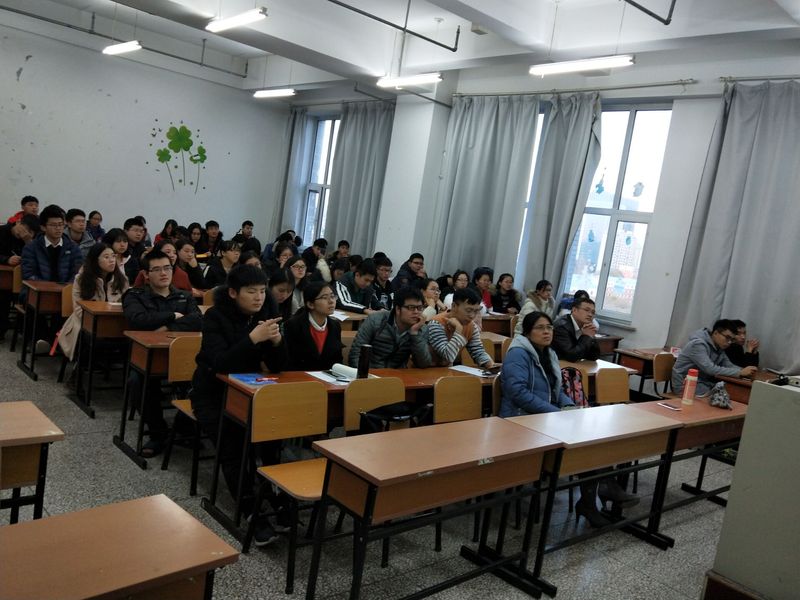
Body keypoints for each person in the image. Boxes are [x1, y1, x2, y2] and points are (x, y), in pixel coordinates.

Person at [189, 264, 286, 545]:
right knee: (232, 447)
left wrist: (277, 342)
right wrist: (252, 339)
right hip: (212, 395)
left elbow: (279, 368)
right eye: (251, 292)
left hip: (250, 393)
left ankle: (276, 499)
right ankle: (251, 512)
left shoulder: (264, 316)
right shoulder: (215, 317)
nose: (259, 297)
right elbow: (220, 364)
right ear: (233, 292)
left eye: (262, 291)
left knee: (272, 438)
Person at [122, 249, 202, 457]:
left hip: (183, 356)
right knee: (137, 382)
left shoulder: (185, 296)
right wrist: (173, 315)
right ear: (146, 275)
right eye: (157, 270)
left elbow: (198, 320)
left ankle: (183, 426)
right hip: (148, 357)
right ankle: (158, 432)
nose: (164, 273)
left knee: (204, 378)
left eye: (167, 268)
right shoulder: (135, 295)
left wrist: (166, 327)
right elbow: (138, 320)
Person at [58, 243, 129, 361]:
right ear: (95, 260)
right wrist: (99, 324)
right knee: (92, 338)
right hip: (85, 324)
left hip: (113, 324)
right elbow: (78, 310)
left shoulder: (122, 280)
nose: (112, 260)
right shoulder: (81, 279)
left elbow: (127, 305)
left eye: (113, 256)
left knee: (128, 339)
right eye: (106, 257)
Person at [500, 311, 574, 416]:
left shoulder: (550, 354)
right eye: (540, 328)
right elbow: (518, 392)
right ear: (527, 332)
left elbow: (557, 389)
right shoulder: (517, 354)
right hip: (520, 415)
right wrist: (555, 412)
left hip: (545, 414)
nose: (546, 332)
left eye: (549, 327)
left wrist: (569, 406)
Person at [348, 287, 432, 369]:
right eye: (411, 308)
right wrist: (363, 374)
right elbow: (355, 355)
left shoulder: (421, 328)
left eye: (420, 308)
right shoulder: (375, 320)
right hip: (370, 373)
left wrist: (415, 333)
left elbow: (423, 364)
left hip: (398, 376)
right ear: (398, 309)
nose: (416, 312)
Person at [672, 319, 758, 396]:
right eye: (727, 338)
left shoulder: (719, 347)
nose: (729, 342)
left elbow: (728, 365)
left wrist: (746, 372)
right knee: (724, 397)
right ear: (716, 333)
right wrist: (740, 373)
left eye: (732, 340)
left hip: (702, 383)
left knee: (731, 394)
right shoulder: (698, 344)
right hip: (684, 384)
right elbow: (710, 369)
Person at [427, 288, 494, 368]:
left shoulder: (471, 326)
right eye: (468, 310)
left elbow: (478, 352)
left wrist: (491, 365)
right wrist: (458, 330)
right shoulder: (436, 323)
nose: (472, 316)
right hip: (426, 370)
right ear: (454, 306)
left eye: (476, 311)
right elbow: (448, 357)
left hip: (447, 371)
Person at [284, 281, 343, 371]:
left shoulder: (335, 326)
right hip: (300, 377)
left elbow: (337, 361)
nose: (331, 301)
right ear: (310, 304)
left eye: (332, 296)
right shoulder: (293, 326)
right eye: (324, 297)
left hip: (327, 377)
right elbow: (289, 361)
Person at [21, 204, 83, 284]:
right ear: (43, 227)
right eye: (53, 225)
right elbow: (28, 274)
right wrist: (48, 287)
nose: (58, 228)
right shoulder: (31, 248)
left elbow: (77, 274)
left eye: (60, 224)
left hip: (65, 289)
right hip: (39, 289)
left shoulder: (73, 247)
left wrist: (65, 287)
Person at [0, 213, 38, 340]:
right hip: (4, 277)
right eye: (25, 229)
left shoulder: (30, 240)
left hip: (23, 279)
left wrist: (28, 242)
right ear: (18, 222)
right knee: (3, 296)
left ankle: (27, 333)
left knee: (29, 299)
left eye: (30, 232)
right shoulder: (2, 231)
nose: (25, 234)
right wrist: (6, 259)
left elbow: (37, 259)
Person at [551, 297, 601, 362]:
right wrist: (586, 336)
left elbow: (594, 356)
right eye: (586, 310)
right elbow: (572, 356)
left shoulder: (586, 327)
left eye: (593, 312)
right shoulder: (562, 327)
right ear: (574, 310)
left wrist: (591, 336)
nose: (590, 315)